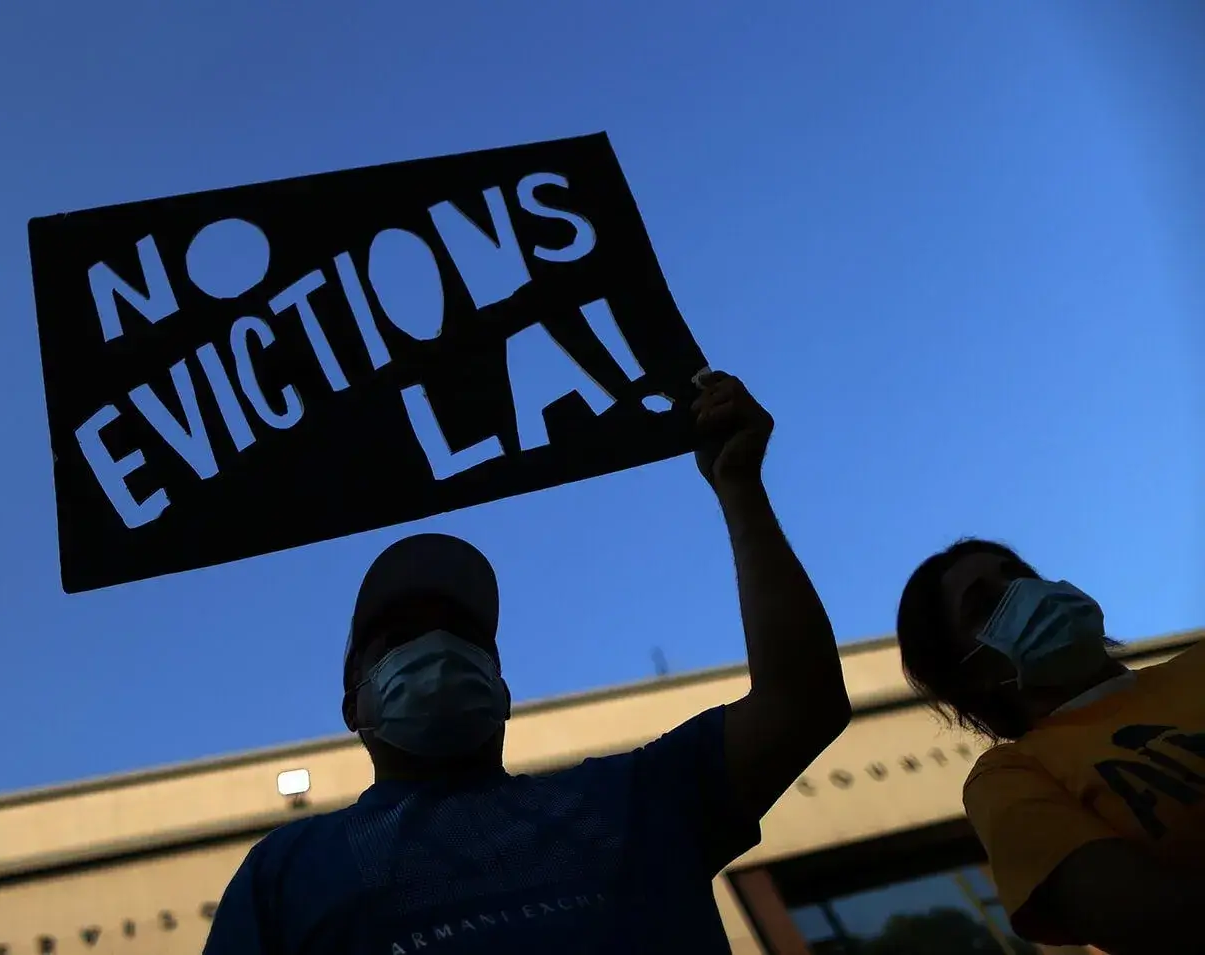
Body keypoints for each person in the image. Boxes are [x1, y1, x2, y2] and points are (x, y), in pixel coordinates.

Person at [203, 373, 851, 954]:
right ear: (353, 705)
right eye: (400, 635)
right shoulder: (284, 872)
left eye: (462, 633)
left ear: (502, 690)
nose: (436, 648)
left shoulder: (639, 796)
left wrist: (740, 489)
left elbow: (802, 702)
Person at [896, 538, 1205, 954]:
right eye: (986, 605)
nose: (1022, 595)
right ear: (968, 676)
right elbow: (1139, 917)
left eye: (1019, 576)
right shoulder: (1011, 777)